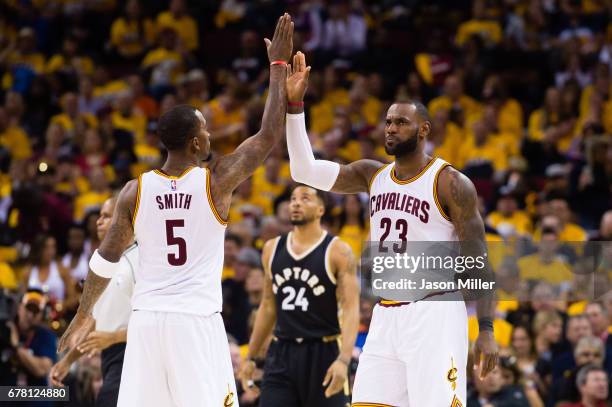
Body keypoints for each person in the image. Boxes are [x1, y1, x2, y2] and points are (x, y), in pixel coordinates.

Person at [58, 14, 294, 407]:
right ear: (195, 142)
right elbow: (268, 135)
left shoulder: (135, 190)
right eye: (205, 130)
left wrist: (83, 314)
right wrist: (278, 68)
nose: (210, 134)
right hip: (193, 322)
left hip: (146, 322)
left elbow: (105, 258)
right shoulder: (215, 180)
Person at [284, 52, 498, 406]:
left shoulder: (450, 183)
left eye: (401, 122)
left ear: (423, 130)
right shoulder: (372, 174)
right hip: (386, 314)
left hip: (435, 313)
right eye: (388, 122)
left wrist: (486, 330)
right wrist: (294, 105)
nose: (391, 128)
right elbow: (303, 170)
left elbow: (479, 260)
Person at [240, 185, 359, 406]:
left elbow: (351, 309)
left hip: (324, 352)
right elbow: (267, 306)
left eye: (305, 199)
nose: (295, 203)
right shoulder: (272, 248)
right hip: (281, 353)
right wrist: (251, 356)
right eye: (293, 198)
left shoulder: (338, 251)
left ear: (321, 209)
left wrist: (343, 359)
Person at [50, 196, 137, 407]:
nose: (99, 221)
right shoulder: (105, 264)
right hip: (111, 355)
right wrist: (67, 362)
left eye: (106, 216)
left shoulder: (140, 259)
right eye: (99, 216)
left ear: (126, 220)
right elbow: (97, 321)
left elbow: (158, 320)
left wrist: (114, 337)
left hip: (135, 354)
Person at [7, 289, 57, 407]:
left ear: (42, 315)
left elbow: (41, 370)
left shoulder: (46, 336)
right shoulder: (6, 330)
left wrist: (16, 347)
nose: (30, 315)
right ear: (19, 308)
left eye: (35, 311)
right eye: (28, 309)